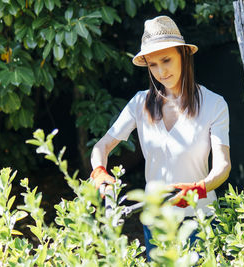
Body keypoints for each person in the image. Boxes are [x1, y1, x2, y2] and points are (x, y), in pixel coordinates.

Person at [90, 15, 231, 260]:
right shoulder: (139, 103)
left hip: (200, 220)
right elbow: (102, 146)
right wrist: (99, 172)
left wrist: (199, 189)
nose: (161, 71)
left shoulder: (214, 104)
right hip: (156, 221)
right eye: (153, 64)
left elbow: (223, 167)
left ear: (183, 55)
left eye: (166, 60)